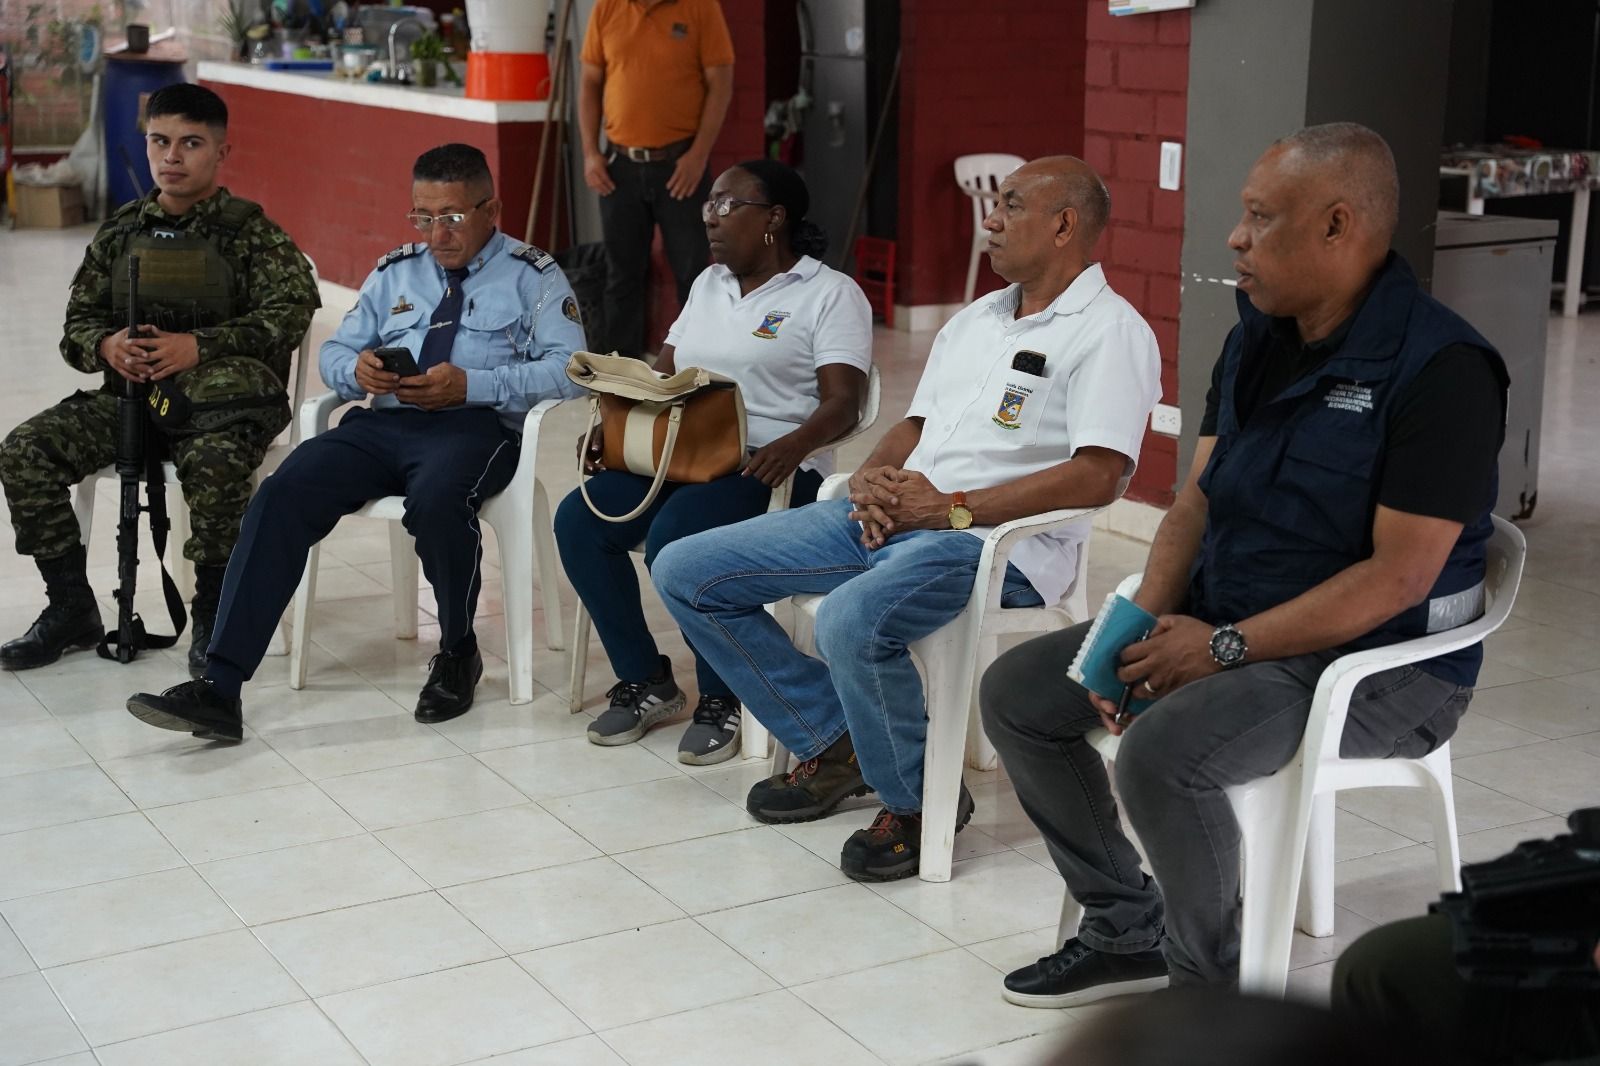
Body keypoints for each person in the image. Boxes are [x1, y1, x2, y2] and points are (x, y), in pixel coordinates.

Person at [980, 123, 1509, 1005]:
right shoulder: (1259, 337)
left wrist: (1222, 646)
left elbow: (1397, 580)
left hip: (1381, 664)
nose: (1235, 238)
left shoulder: (1442, 369)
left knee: (1160, 756)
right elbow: (1197, 498)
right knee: (1019, 698)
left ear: (1338, 226)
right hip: (1240, 619)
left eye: (1261, 217)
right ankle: (1124, 926)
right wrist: (1136, 623)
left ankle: (1207, 995)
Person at [653, 156, 1162, 881]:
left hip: (993, 545)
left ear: (1063, 226)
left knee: (850, 620)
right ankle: (838, 739)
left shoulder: (1110, 331)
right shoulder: (978, 320)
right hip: (906, 517)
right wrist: (873, 477)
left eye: (1011, 207)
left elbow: (1099, 475)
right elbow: (917, 425)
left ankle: (917, 800)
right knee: (688, 570)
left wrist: (952, 510)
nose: (989, 219)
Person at [124, 143, 585, 740]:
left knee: (438, 503)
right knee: (281, 491)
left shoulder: (534, 276)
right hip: (381, 425)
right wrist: (357, 371)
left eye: (451, 217)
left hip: (475, 427)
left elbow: (572, 369)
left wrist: (475, 384)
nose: (436, 234)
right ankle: (221, 686)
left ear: (491, 208)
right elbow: (338, 349)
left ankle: (456, 652)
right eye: (422, 217)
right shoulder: (397, 270)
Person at [556, 159, 871, 764]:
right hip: (684, 451)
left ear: (774, 218)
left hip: (769, 468)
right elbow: (666, 374)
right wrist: (613, 425)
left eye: (728, 206)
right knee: (580, 520)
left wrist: (796, 445)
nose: (711, 219)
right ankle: (646, 678)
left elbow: (845, 401)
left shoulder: (829, 294)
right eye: (708, 207)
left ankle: (723, 695)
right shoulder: (709, 284)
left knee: (680, 537)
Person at [0, 83, 318, 677]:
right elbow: (77, 324)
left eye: (191, 143)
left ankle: (214, 621)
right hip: (130, 404)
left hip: (219, 416)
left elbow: (292, 313)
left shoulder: (250, 233)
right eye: (160, 141)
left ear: (222, 152)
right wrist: (106, 346)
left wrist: (198, 346)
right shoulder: (121, 231)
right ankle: (71, 608)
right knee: (24, 451)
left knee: (219, 468)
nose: (172, 157)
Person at [578, 0, 734, 357]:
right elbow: (589, 80)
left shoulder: (701, 7)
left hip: (681, 166)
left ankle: (697, 366)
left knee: (694, 275)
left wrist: (698, 156)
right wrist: (591, 153)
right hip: (619, 164)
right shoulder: (607, 7)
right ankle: (621, 377)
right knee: (622, 276)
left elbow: (721, 82)